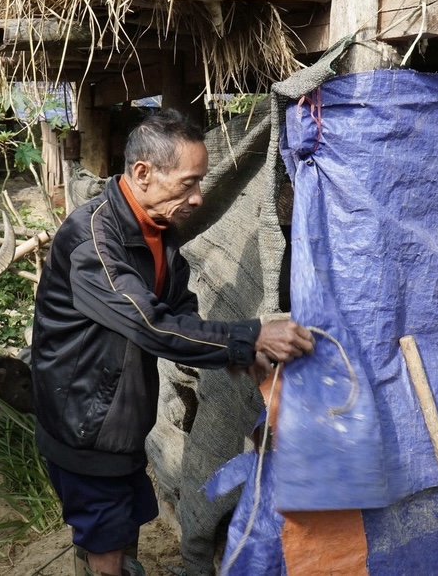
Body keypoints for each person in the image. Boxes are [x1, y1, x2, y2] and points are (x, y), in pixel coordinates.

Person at [31, 109, 314, 576]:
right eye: (188, 183)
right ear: (142, 173)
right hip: (85, 424)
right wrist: (249, 334)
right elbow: (150, 324)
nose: (199, 197)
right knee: (106, 548)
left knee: (121, 532)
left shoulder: (157, 232)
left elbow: (179, 307)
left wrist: (232, 354)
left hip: (116, 421)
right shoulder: (92, 240)